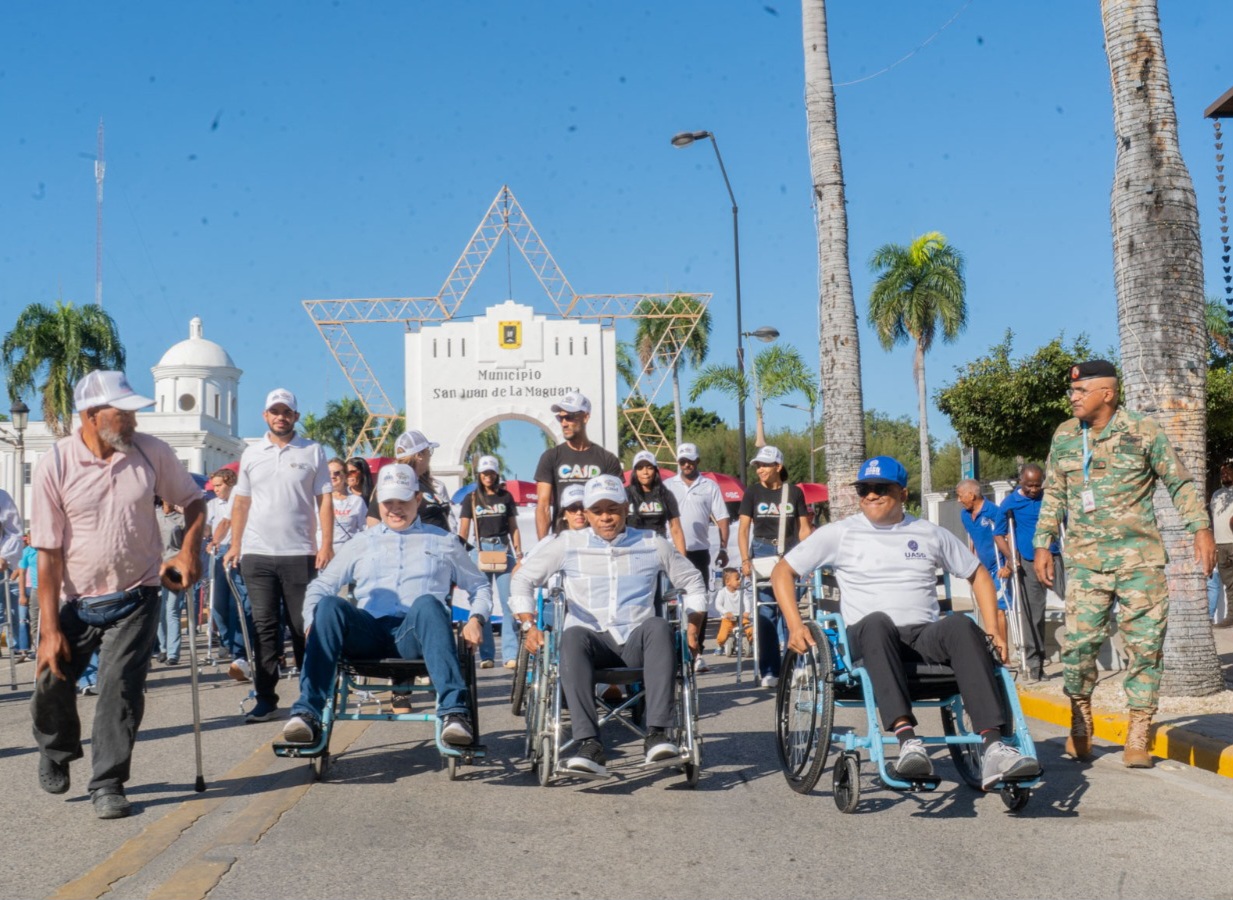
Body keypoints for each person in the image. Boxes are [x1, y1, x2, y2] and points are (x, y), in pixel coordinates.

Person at [772, 455, 1041, 790]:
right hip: (868, 638)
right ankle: (908, 742)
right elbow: (783, 571)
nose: (870, 495)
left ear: (902, 493)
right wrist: (795, 625)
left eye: (880, 488)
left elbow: (979, 575)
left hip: (923, 636)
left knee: (959, 625)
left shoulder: (929, 532)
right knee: (877, 622)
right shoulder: (840, 533)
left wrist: (993, 631)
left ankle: (993, 748)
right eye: (864, 489)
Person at [30, 370, 204, 819]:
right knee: (51, 681)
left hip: (138, 594)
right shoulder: (56, 464)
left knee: (119, 691)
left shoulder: (151, 452)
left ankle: (108, 782)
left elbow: (194, 501)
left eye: (132, 413)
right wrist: (49, 629)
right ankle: (56, 748)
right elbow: (47, 555)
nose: (132, 421)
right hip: (74, 601)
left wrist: (188, 552)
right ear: (91, 416)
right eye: (122, 413)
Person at [1034, 360, 1214, 769]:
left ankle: (1139, 730)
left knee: (1144, 648)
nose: (1073, 397)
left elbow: (1179, 482)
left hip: (1139, 562)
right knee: (1078, 647)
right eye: (1072, 391)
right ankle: (1080, 721)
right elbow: (1055, 495)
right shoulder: (1065, 436)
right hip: (1085, 563)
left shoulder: (1143, 431)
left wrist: (1200, 529)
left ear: (1108, 394)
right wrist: (1042, 543)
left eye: (1081, 391)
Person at [511, 474, 707, 777]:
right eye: (597, 510)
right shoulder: (567, 544)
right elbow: (523, 579)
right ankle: (589, 744)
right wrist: (529, 625)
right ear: (586, 513)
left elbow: (693, 581)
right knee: (572, 634)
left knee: (658, 625)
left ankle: (657, 735)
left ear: (626, 508)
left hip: (637, 644)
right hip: (592, 644)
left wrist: (693, 627)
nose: (605, 517)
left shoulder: (652, 543)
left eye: (612, 509)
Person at [281, 464, 489, 748]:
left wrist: (476, 618)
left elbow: (480, 586)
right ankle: (308, 712)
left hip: (415, 635)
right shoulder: (362, 542)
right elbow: (321, 585)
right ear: (378, 503)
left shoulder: (444, 541)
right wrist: (310, 622)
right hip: (369, 633)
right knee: (329, 604)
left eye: (402, 501)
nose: (395, 509)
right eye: (388, 502)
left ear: (418, 499)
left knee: (429, 603)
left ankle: (454, 712)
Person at [224, 388, 334, 723]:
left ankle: (309, 698)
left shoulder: (313, 451)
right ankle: (266, 698)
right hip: (257, 554)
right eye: (275, 411)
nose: (280, 417)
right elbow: (241, 502)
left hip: (300, 552)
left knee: (302, 626)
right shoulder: (252, 453)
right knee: (264, 628)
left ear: (296, 416)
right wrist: (235, 544)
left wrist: (326, 544)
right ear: (265, 416)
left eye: (287, 411)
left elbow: (325, 500)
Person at [738, 445, 813, 688]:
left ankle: (796, 665)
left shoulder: (794, 493)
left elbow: (803, 528)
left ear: (778, 467)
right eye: (757, 465)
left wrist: (811, 558)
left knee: (789, 608)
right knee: (766, 612)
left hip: (791, 552)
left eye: (764, 465)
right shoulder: (752, 492)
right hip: (762, 551)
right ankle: (770, 669)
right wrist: (744, 559)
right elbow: (743, 529)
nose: (760, 470)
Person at [665, 442, 731, 668]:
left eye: (690, 461)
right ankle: (671, 651)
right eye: (682, 461)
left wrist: (723, 548)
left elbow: (722, 517)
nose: (686, 465)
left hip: (699, 552)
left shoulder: (709, 486)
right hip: (671, 553)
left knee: (699, 603)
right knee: (669, 603)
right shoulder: (667, 486)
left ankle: (697, 652)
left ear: (697, 461)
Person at [994, 464, 1062, 682]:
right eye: (1030, 485)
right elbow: (999, 533)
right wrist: (1011, 557)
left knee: (1076, 605)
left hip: (1055, 557)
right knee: (1034, 614)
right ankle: (1035, 664)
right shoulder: (1010, 503)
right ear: (1021, 482)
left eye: (1037, 484)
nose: (1034, 489)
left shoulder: (1049, 498)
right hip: (1028, 562)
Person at [458, 455, 523, 670]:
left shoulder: (506, 497)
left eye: (491, 472)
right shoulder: (472, 498)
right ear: (479, 474)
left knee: (508, 603)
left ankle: (510, 654)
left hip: (503, 549)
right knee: (482, 602)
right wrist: (460, 553)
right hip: (480, 550)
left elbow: (513, 526)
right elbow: (464, 529)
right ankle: (486, 656)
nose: (488, 476)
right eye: (484, 473)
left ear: (496, 473)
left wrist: (519, 552)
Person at [533, 391, 622, 540]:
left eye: (569, 417)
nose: (564, 423)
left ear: (585, 417)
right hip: (563, 539)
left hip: (598, 541)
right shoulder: (550, 457)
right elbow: (543, 505)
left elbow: (617, 505)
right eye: (560, 418)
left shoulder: (607, 459)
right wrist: (542, 545)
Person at [206, 467, 254, 682]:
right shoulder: (233, 497)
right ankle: (229, 643)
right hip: (224, 552)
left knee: (242, 604)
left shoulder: (249, 491)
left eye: (219, 485)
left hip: (249, 552)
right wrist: (215, 541)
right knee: (218, 605)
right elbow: (225, 522)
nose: (216, 490)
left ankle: (240, 652)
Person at [955, 479, 1009, 654]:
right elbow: (972, 539)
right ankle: (993, 649)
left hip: (998, 568)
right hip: (981, 570)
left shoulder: (993, 511)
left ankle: (1003, 653)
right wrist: (969, 567)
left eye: (960, 496)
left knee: (999, 610)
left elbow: (1008, 538)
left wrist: (1008, 564)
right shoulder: (965, 515)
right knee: (987, 611)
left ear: (971, 495)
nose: (958, 500)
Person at [366, 431, 452, 532]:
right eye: (429, 451)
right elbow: (373, 523)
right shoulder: (391, 484)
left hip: (441, 544)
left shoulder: (426, 483)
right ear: (419, 455)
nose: (430, 456)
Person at [626, 450, 687, 554]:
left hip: (658, 549)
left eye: (649, 468)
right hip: (632, 550)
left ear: (655, 470)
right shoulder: (625, 495)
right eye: (640, 468)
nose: (645, 472)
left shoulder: (666, 495)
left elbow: (676, 529)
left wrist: (683, 560)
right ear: (635, 472)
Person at [154, 497, 187, 665]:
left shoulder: (181, 518)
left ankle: (173, 653)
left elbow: (191, 542)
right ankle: (163, 648)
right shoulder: (154, 515)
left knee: (172, 609)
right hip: (155, 567)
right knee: (159, 610)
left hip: (175, 566)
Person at [1, 491, 26, 658]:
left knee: (4, 609)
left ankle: (18, 645)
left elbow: (15, 532)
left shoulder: (1, 497)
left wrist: (3, 555)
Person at [1209, 462, 1233, 627]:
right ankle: (1231, 616)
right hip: (1220, 544)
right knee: (1229, 584)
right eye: (1221, 473)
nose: (1224, 475)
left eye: (1227, 472)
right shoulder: (1216, 494)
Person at [327, 458, 367, 550]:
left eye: (337, 473)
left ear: (345, 475)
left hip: (349, 552)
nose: (332, 476)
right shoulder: (318, 500)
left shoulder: (357, 501)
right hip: (324, 554)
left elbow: (364, 529)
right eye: (328, 473)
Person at [713, 567, 751, 657]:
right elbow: (718, 605)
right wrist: (725, 612)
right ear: (727, 582)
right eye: (737, 579)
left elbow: (746, 601)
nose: (739, 580)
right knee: (723, 635)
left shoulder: (741, 591)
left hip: (741, 616)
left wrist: (747, 611)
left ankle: (750, 643)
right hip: (728, 618)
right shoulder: (722, 592)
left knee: (750, 630)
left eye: (740, 578)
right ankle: (719, 646)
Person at [17, 532, 39, 662]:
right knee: (32, 621)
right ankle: (37, 649)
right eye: (28, 538)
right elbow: (21, 573)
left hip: (50, 589)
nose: (30, 540)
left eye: (32, 538)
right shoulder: (27, 552)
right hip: (33, 589)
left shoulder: (45, 550)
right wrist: (22, 594)